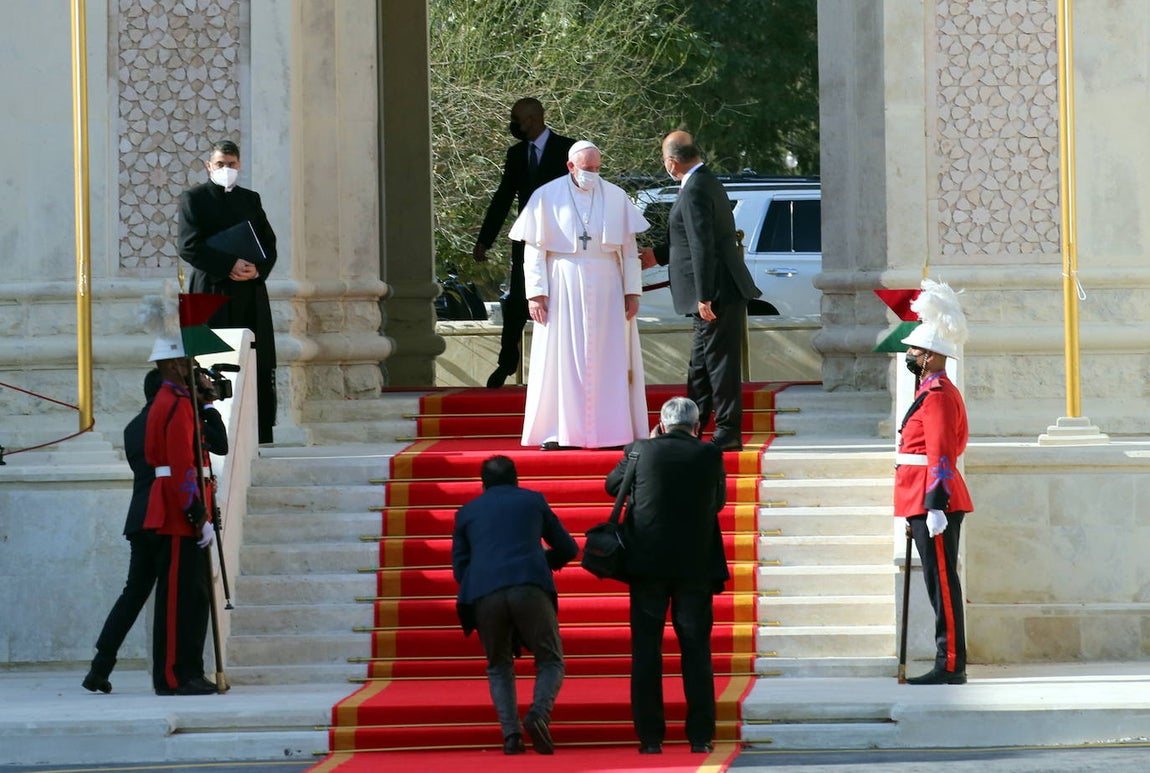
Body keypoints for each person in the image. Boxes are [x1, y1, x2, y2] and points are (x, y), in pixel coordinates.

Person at [83, 366, 228, 694]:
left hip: (141, 517)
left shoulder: (134, 425)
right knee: (179, 595)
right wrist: (207, 406)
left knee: (134, 594)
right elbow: (217, 444)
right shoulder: (177, 413)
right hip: (169, 514)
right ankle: (176, 674)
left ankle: (100, 666)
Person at [605, 396, 729, 754]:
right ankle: (700, 736)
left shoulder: (639, 450)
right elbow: (718, 501)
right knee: (696, 650)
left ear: (661, 423)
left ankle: (650, 738)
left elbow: (612, 486)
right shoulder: (710, 454)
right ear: (696, 425)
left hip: (647, 565)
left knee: (646, 651)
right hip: (695, 565)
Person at [508, 140, 649, 450]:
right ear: (571, 166)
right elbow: (534, 250)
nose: (594, 174)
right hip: (562, 283)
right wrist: (536, 293)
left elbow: (629, 250)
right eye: (588, 169)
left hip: (607, 285)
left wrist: (632, 291)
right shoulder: (547, 197)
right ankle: (561, 432)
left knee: (608, 357)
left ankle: (612, 431)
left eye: (598, 169)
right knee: (562, 357)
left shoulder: (615, 196)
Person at [640, 131, 761, 452]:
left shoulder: (695, 188)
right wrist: (659, 254)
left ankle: (727, 430)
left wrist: (704, 295)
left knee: (719, 364)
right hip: (714, 289)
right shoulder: (704, 181)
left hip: (714, 291)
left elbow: (703, 244)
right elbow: (692, 238)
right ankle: (689, 426)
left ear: (671, 163)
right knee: (701, 365)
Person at [451, 455, 578, 755]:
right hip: (529, 586)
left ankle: (511, 735)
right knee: (550, 659)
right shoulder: (533, 501)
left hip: (485, 593)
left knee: (498, 666)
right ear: (516, 479)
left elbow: (460, 569)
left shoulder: (467, 513)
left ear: (483, 484)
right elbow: (568, 547)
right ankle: (538, 715)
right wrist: (543, 563)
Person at [895, 279, 973, 685]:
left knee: (942, 581)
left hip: (934, 499)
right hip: (921, 498)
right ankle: (949, 660)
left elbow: (941, 452)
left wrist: (936, 504)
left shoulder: (938, 394)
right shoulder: (929, 390)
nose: (909, 354)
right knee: (936, 582)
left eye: (914, 350)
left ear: (929, 356)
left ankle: (950, 663)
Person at [178, 139, 278, 444]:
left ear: (240, 165)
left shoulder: (251, 199)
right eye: (220, 164)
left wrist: (257, 268)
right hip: (210, 290)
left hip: (248, 292)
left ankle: (257, 434)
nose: (226, 169)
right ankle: (212, 433)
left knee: (254, 358)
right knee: (210, 358)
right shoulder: (192, 199)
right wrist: (228, 265)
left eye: (231, 164)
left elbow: (268, 243)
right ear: (209, 166)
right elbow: (188, 246)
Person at [474, 98, 575, 388]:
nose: (515, 125)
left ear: (533, 118)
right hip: (528, 242)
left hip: (563, 243)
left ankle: (564, 368)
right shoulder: (517, 154)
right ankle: (506, 364)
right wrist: (485, 240)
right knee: (518, 300)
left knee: (561, 304)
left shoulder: (567, 149)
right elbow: (503, 197)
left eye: (517, 119)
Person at [143, 337, 221, 696]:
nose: (194, 369)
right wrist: (196, 513)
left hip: (187, 509)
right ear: (173, 365)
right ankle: (175, 675)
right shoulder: (174, 403)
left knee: (195, 596)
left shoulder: (184, 402)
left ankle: (190, 669)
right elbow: (180, 466)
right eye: (188, 362)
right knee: (179, 599)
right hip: (178, 512)